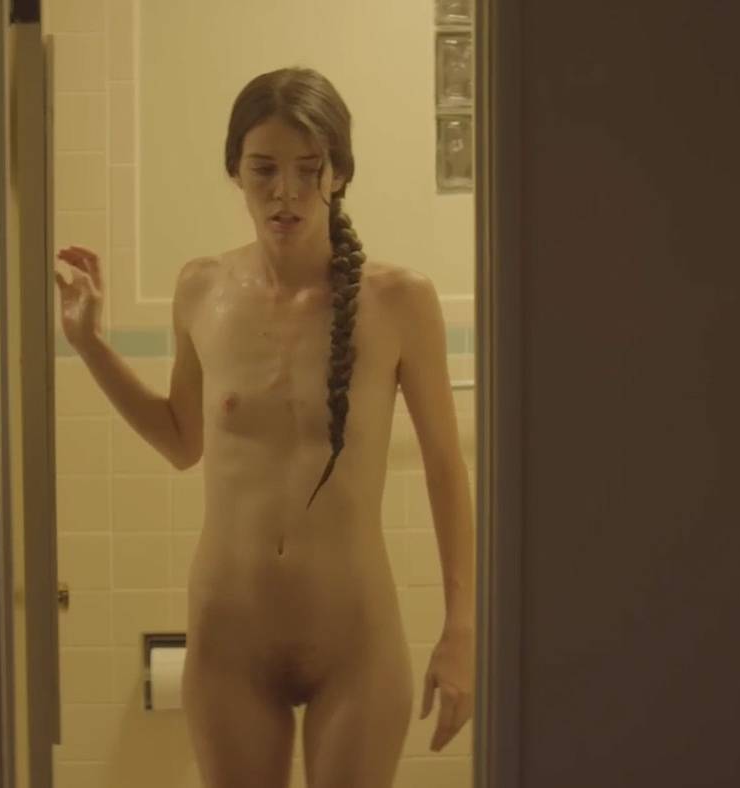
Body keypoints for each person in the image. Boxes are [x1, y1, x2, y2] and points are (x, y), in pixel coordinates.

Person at [53, 66, 474, 788]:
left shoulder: (400, 301)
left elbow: (446, 466)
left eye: (310, 170)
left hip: (356, 640)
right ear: (235, 172)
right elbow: (181, 441)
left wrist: (462, 629)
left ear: (340, 173)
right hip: (230, 639)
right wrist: (89, 344)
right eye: (264, 169)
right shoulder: (202, 289)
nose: (286, 192)